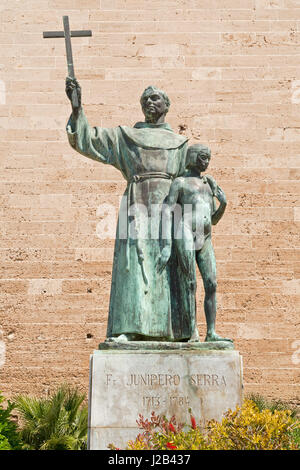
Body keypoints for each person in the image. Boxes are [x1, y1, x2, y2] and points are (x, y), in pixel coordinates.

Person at [65, 77, 194, 342]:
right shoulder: (126, 137)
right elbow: (88, 140)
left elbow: (190, 182)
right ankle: (130, 329)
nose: (149, 101)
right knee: (133, 267)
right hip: (137, 205)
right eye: (145, 98)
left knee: (171, 267)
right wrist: (78, 110)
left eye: (155, 97)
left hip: (170, 210)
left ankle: (176, 331)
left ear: (166, 106)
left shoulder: (180, 144)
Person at [157, 144, 232, 343]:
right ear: (192, 157)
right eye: (202, 157)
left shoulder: (209, 183)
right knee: (190, 282)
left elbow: (213, 219)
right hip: (186, 231)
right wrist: (166, 244)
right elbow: (167, 210)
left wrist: (223, 204)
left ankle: (211, 332)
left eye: (208, 158)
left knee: (211, 283)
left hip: (205, 236)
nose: (206, 162)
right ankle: (192, 331)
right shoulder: (180, 183)